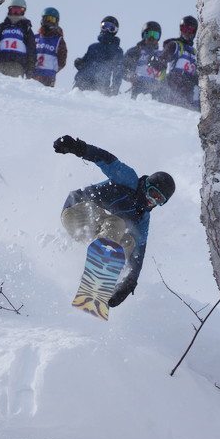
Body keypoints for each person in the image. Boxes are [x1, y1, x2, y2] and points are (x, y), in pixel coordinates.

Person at [54, 135, 175, 308]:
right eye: (153, 193)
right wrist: (78, 148)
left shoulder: (143, 218)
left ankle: (99, 285)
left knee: (129, 242)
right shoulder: (129, 179)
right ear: (147, 185)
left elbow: (138, 254)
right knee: (118, 224)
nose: (152, 201)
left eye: (159, 200)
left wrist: (129, 283)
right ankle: (97, 273)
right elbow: (106, 159)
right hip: (76, 211)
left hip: (91, 229)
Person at [150, 15, 199, 110]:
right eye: (185, 29)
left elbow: (198, 77)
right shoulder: (174, 46)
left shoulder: (195, 53)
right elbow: (161, 62)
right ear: (181, 29)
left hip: (188, 98)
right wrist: (154, 61)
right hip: (170, 93)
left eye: (191, 30)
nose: (188, 33)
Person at [0, 0, 36, 78]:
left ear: (23, 11)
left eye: (18, 10)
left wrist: (30, 69)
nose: (15, 13)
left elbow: (31, 50)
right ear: (9, 10)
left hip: (17, 66)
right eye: (14, 10)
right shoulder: (2, 27)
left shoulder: (26, 29)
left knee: (10, 88)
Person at [74, 16, 124, 96]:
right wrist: (79, 62)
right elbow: (84, 62)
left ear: (115, 31)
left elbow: (118, 70)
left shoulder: (117, 50)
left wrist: (115, 87)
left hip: (99, 85)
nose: (107, 30)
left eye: (111, 28)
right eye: (105, 26)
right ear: (101, 27)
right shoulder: (93, 47)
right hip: (82, 82)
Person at [123, 21, 162, 99]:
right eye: (149, 34)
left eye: (155, 35)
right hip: (139, 88)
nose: (152, 38)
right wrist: (131, 76)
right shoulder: (135, 51)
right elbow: (122, 68)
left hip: (156, 91)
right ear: (143, 35)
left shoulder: (160, 54)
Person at [32, 7, 67, 87]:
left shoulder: (59, 40)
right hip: (33, 76)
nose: (49, 22)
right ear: (42, 20)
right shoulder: (35, 38)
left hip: (48, 77)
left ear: (56, 22)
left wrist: (53, 70)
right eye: (47, 19)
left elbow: (62, 60)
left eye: (52, 20)